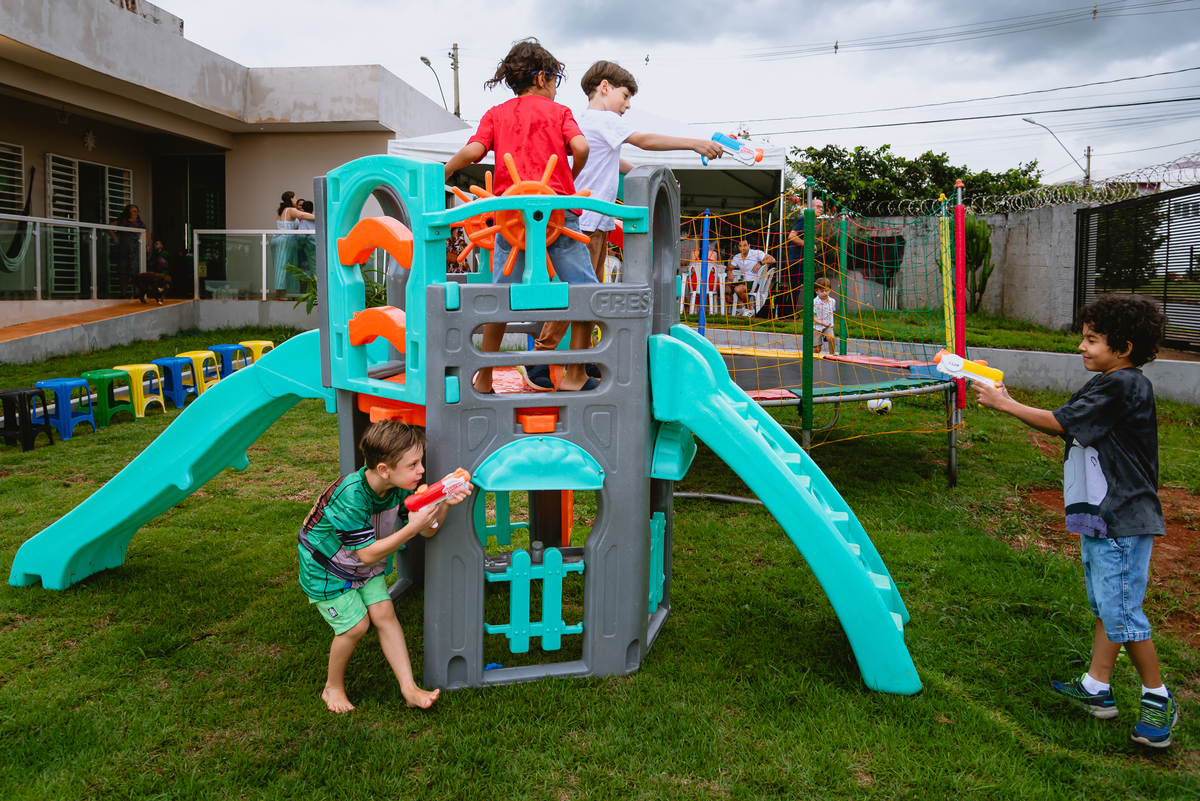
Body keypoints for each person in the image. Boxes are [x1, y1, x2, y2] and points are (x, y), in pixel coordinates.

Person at [973, 295, 1178, 748]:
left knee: (1123, 610)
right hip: (1102, 512)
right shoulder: (1108, 380)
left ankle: (1158, 697)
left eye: (1091, 340)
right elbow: (1065, 417)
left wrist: (1003, 406)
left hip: (1122, 514)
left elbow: (1059, 424)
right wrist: (994, 385)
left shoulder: (1123, 385)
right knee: (1111, 602)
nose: (1081, 348)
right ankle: (1096, 687)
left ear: (1122, 346)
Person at [518, 60, 724, 389]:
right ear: (604, 88)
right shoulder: (604, 119)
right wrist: (694, 143)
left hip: (588, 222)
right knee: (579, 295)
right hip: (583, 224)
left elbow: (615, 160)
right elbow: (643, 139)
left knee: (583, 295)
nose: (627, 105)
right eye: (625, 96)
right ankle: (539, 360)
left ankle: (577, 364)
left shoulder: (587, 121)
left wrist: (647, 174)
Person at [443, 38, 596, 394]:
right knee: (586, 292)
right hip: (557, 215)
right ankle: (575, 375)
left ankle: (483, 377)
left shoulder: (497, 113)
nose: (556, 87)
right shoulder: (560, 113)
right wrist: (571, 176)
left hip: (511, 222)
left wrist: (445, 170)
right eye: (556, 78)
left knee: (501, 296)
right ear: (542, 77)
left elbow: (475, 150)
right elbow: (582, 147)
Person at [298, 421, 472, 713]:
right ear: (384, 469)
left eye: (420, 462)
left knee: (384, 613)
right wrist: (411, 529)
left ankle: (409, 689)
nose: (421, 471)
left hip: (362, 564)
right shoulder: (351, 497)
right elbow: (367, 554)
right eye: (413, 464)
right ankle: (332, 687)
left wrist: (443, 503)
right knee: (355, 626)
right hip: (327, 568)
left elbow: (428, 530)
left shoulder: (400, 488)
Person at [782, 198, 823, 320]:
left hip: (803, 260)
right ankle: (793, 315)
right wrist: (808, 244)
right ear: (810, 207)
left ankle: (791, 315)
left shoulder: (811, 221)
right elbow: (792, 236)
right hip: (796, 260)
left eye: (822, 207)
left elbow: (803, 240)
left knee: (801, 288)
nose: (821, 209)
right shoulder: (804, 218)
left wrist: (811, 244)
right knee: (809, 286)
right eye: (818, 206)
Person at [272, 191, 313, 298]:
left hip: (279, 239)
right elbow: (303, 215)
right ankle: (281, 293)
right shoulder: (290, 210)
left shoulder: (281, 210)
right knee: (283, 266)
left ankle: (280, 291)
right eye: (294, 198)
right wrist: (320, 217)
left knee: (280, 265)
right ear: (291, 199)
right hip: (286, 240)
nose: (295, 200)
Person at [727, 238, 775, 313]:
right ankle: (739, 307)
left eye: (745, 245)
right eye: (740, 246)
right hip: (743, 281)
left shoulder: (756, 253)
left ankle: (749, 309)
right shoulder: (737, 257)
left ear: (749, 245)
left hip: (755, 282)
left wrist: (760, 263)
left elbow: (772, 259)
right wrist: (729, 272)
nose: (743, 248)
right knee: (723, 290)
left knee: (738, 289)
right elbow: (728, 268)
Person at [110, 204, 146, 299]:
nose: (136, 213)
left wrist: (146, 245)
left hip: (135, 250)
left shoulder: (140, 223)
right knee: (123, 271)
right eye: (134, 211)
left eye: (137, 211)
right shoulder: (122, 221)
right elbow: (109, 227)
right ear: (128, 212)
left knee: (135, 272)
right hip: (124, 250)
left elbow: (145, 234)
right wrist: (115, 238)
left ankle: (137, 293)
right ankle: (124, 293)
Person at [813, 276, 836, 353]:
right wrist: (823, 323)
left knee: (831, 338)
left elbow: (832, 314)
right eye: (822, 291)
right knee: (817, 349)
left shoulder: (832, 301)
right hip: (817, 327)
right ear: (817, 291)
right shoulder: (814, 302)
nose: (825, 293)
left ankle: (832, 356)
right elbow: (814, 318)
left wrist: (832, 324)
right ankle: (814, 359)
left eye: (827, 290)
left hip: (828, 326)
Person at [296, 199, 317, 277]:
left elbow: (301, 236)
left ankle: (317, 289)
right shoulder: (318, 220)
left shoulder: (304, 222)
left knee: (315, 274)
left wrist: (300, 246)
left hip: (312, 250)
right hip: (323, 249)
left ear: (303, 210)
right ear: (313, 210)